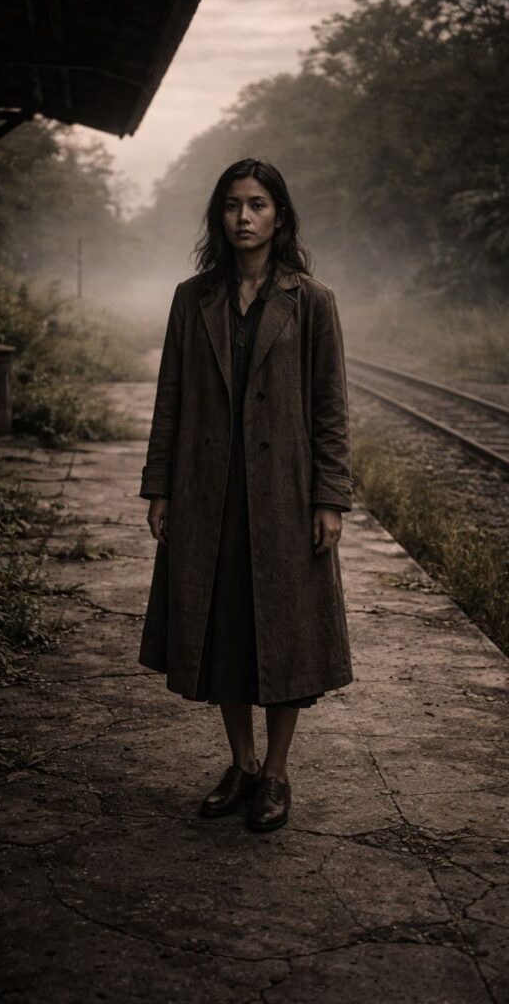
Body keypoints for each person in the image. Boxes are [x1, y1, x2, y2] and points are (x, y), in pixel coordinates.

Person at [138, 158, 353, 832]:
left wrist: (329, 498)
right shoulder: (191, 297)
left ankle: (278, 775)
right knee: (224, 626)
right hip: (209, 494)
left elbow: (328, 408)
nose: (243, 217)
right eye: (232, 205)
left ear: (278, 215)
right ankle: (242, 765)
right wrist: (160, 488)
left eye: (257, 204)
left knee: (284, 633)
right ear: (218, 216)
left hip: (285, 496)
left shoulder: (311, 301)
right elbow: (169, 397)